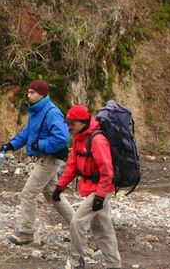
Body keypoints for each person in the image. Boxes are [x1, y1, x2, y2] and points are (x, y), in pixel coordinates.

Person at [0, 79, 74, 245]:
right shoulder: (36, 111)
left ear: (42, 94)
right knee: (52, 194)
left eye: (32, 93)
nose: (29, 95)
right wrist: (11, 145)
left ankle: (26, 234)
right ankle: (79, 227)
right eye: (28, 92)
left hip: (49, 159)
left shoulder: (51, 112)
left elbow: (63, 139)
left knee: (28, 194)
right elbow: (27, 134)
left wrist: (39, 144)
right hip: (44, 158)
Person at [54, 105, 121, 269]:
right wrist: (59, 187)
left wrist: (100, 196)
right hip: (93, 188)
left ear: (83, 122)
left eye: (72, 123)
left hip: (101, 189)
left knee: (77, 222)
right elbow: (72, 166)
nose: (69, 126)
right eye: (67, 122)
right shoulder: (78, 138)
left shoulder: (97, 140)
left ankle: (77, 262)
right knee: (103, 229)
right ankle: (114, 264)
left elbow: (107, 170)